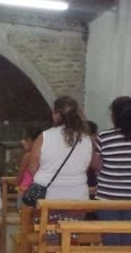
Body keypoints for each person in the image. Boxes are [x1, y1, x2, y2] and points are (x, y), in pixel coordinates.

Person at [92, 96, 131, 246]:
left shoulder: (105, 137)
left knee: (110, 242)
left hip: (108, 197)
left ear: (114, 115)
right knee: (130, 241)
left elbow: (95, 165)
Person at [28, 96, 93, 226]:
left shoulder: (45, 136)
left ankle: (47, 245)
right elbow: (85, 166)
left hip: (47, 196)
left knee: (46, 234)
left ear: (57, 115)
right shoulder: (85, 138)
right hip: (77, 196)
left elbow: (32, 167)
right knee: (71, 236)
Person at [16, 127, 39, 205]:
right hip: (38, 191)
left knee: (23, 215)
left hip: (24, 191)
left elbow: (20, 174)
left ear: (33, 141)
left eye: (25, 139)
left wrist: (17, 183)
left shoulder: (27, 156)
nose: (22, 141)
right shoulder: (43, 155)